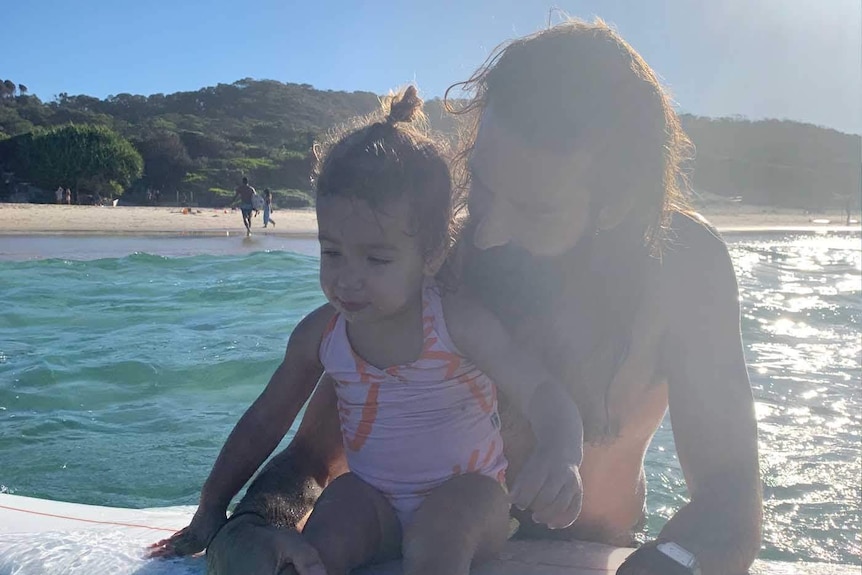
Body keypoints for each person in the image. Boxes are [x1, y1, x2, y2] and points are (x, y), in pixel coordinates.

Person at [154, 18, 763, 575]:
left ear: (618, 203)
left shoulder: (684, 268)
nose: (487, 226)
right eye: (484, 184)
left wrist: (675, 560)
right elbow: (315, 450)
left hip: (582, 555)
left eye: (532, 207)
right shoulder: (440, 258)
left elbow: (731, 494)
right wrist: (253, 525)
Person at [152, 87, 584, 575]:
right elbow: (263, 422)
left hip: (471, 496)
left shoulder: (455, 322)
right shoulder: (322, 335)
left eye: (376, 258)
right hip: (375, 497)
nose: (345, 278)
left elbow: (543, 390)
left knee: (436, 538)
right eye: (331, 251)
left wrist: (562, 454)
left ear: (432, 255)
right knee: (326, 531)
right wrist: (212, 505)